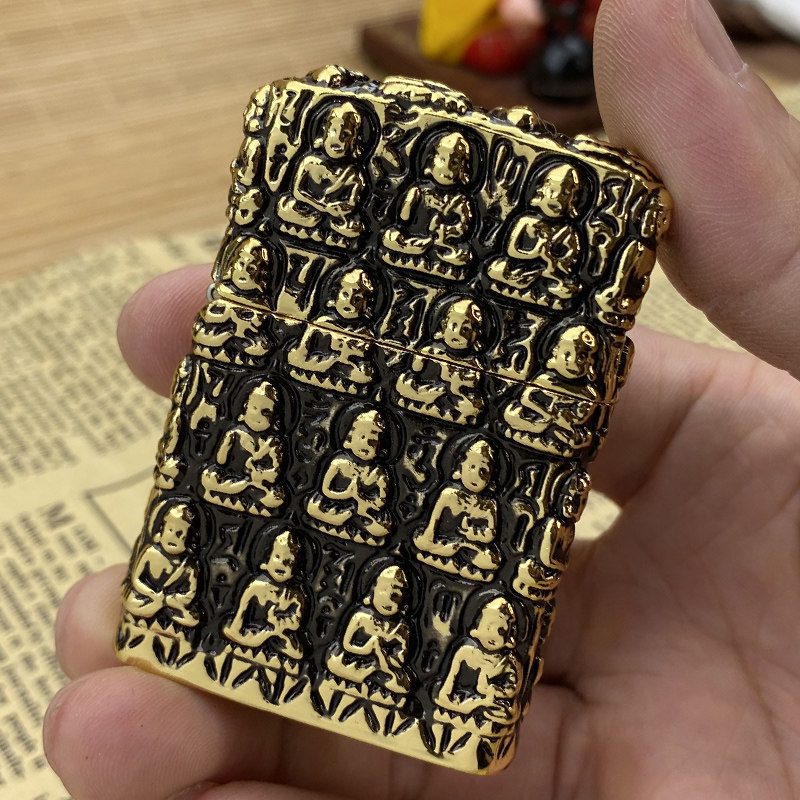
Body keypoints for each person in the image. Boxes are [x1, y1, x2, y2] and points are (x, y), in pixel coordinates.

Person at [45, 1, 800, 797]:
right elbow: (308, 483)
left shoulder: (532, 259)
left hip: (462, 385)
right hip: (346, 344)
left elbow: (410, 517)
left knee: (481, 529)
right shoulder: (331, 238)